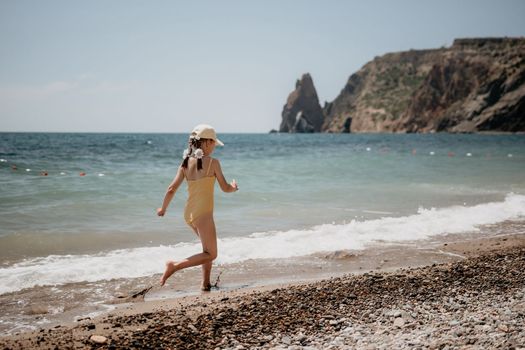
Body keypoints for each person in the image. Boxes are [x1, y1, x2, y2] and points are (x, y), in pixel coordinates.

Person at [157, 124, 238, 291]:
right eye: (214, 142)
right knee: (212, 253)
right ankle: (174, 266)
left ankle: (205, 283)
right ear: (207, 142)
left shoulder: (185, 164)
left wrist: (163, 208)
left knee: (206, 251)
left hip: (190, 214)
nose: (215, 145)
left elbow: (171, 189)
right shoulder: (213, 163)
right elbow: (225, 188)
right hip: (203, 214)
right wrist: (234, 187)